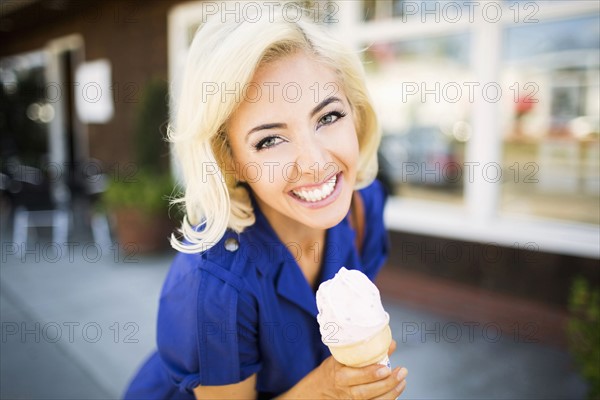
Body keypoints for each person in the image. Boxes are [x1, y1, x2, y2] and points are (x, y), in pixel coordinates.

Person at [124, 5, 408, 399]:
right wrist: (327, 390)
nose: (315, 164)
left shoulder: (363, 206)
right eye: (270, 140)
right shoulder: (211, 283)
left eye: (327, 117)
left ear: (356, 114)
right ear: (230, 160)